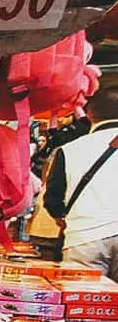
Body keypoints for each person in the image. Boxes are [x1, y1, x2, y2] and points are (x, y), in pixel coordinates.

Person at [44, 87, 118, 280]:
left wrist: (64, 219)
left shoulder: (69, 150)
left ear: (89, 113)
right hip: (85, 235)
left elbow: (53, 200)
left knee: (84, 303)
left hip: (84, 239)